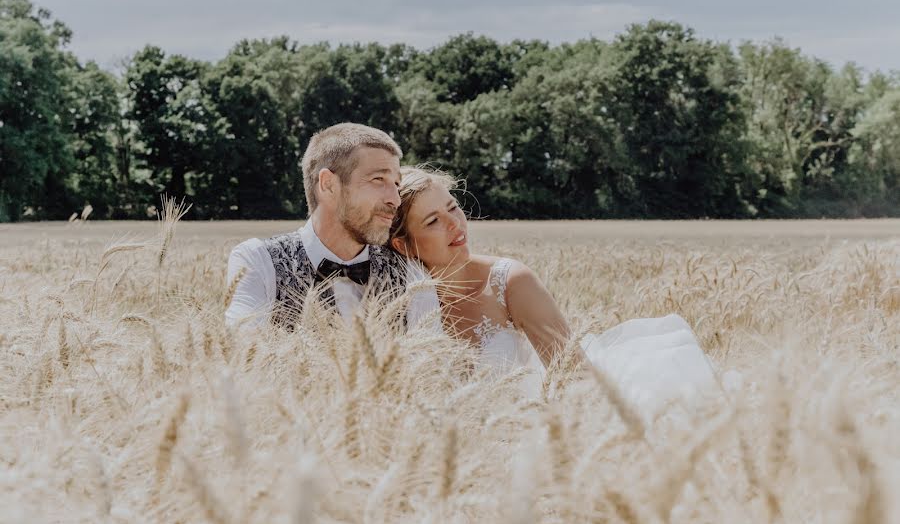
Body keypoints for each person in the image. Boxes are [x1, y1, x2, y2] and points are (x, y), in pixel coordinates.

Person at [388, 166, 718, 418]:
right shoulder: (398, 304)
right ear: (402, 245)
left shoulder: (510, 282)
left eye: (453, 207)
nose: (455, 224)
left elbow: (577, 381)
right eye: (432, 221)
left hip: (534, 424)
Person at [225, 123, 438, 329]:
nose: (395, 200)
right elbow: (245, 352)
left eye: (396, 184)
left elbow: (431, 362)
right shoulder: (258, 262)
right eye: (378, 179)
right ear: (328, 184)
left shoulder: (411, 275)